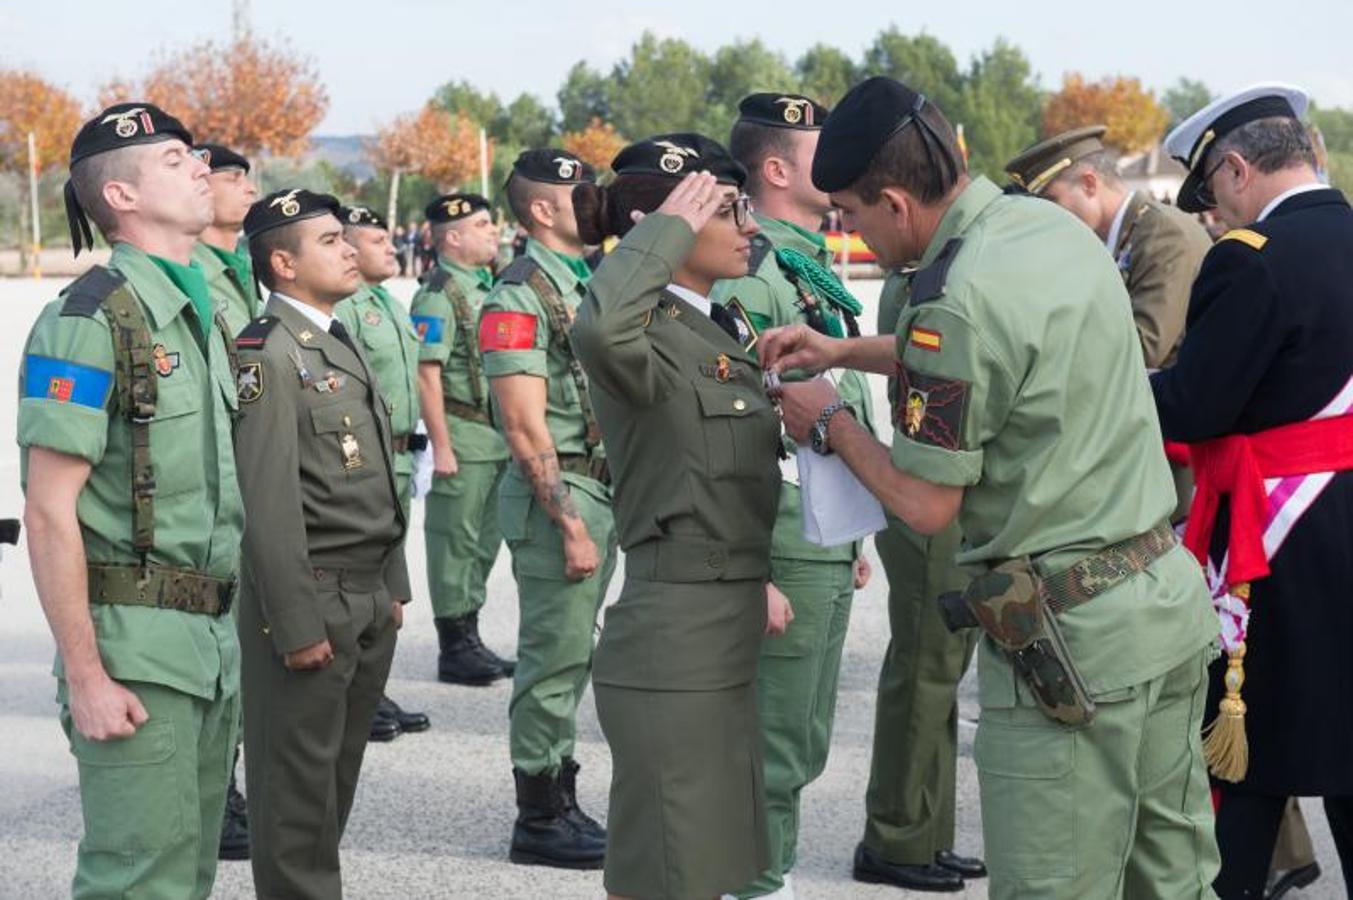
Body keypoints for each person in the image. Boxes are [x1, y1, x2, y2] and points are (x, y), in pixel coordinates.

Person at [760, 76, 1221, 898]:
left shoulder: (954, 302)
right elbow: (995, 354)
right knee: (1172, 881)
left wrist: (829, 419)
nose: (850, 231)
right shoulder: (1044, 226)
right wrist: (842, 351)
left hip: (1072, 649)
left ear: (896, 202)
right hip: (1159, 607)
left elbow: (926, 501)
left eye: (853, 215)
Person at [20, 102, 244, 898]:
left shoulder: (202, 315)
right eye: (176, 159)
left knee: (187, 875)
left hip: (211, 649)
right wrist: (85, 675)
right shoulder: (88, 321)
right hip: (133, 652)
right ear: (120, 196)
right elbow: (48, 511)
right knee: (137, 882)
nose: (200, 169)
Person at [1154, 83, 1353, 899]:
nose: (1209, 215)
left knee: (1243, 768)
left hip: (1281, 542)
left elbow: (1198, 403)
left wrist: (1106, 383)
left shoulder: (1249, 258)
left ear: (1235, 169)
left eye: (1211, 193)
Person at [570, 134, 781, 900]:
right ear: (669, 226)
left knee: (715, 862)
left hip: (723, 627)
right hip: (675, 641)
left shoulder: (714, 328)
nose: (749, 227)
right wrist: (657, 234)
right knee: (668, 869)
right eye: (725, 211)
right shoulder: (642, 334)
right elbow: (595, 329)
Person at [707, 94, 886, 899]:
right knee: (773, 738)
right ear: (777, 169)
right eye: (824, 148)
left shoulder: (804, 261)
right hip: (779, 527)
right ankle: (751, 881)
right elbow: (738, 426)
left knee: (803, 734)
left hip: (822, 527)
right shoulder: (751, 272)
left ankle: (758, 875)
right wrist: (753, 564)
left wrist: (851, 531)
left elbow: (838, 389)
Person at [234, 188, 410, 898]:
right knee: (297, 798)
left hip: (364, 592)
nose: (349, 248)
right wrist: (295, 621)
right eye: (330, 240)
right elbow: (266, 502)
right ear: (282, 262)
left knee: (333, 783)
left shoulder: (337, 337)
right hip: (316, 596)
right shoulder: (268, 353)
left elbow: (374, 477)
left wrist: (393, 586)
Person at [481, 149, 617, 869]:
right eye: (581, 193)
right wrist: (567, 523)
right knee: (552, 659)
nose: (594, 203)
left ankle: (560, 793)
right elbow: (523, 424)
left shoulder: (585, 280)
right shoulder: (517, 294)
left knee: (574, 655)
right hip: (558, 496)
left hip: (598, 487)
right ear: (541, 209)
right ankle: (538, 818)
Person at [1006, 126, 1213, 522]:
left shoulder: (1161, 233)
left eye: (1052, 201)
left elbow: (1142, 346)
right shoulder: (1110, 240)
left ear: (1088, 183)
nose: (1047, 218)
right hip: (1131, 441)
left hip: (1167, 453)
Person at [855, 266, 984, 893]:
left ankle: (928, 832)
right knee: (924, 671)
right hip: (930, 492)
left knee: (943, 673)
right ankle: (897, 836)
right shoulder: (928, 280)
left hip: (952, 493)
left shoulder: (945, 271)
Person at [333, 203, 432, 742]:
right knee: (364, 580)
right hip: (367, 458)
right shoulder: (346, 310)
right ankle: (355, 692)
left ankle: (373, 686)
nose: (391, 247)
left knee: (389, 580)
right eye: (376, 240)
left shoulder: (388, 304)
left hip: (399, 456)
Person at [408, 193, 515, 686]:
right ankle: (453, 646)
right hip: (463, 434)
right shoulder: (439, 293)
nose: (493, 231)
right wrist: (442, 446)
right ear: (452, 237)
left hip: (493, 438)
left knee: (483, 542)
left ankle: (470, 635)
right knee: (454, 542)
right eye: (482, 224)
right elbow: (426, 375)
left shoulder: (485, 286)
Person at [191, 142, 261, 339]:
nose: (252, 189)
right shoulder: (187, 274)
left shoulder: (255, 263)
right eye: (234, 180)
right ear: (199, 189)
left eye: (247, 179)